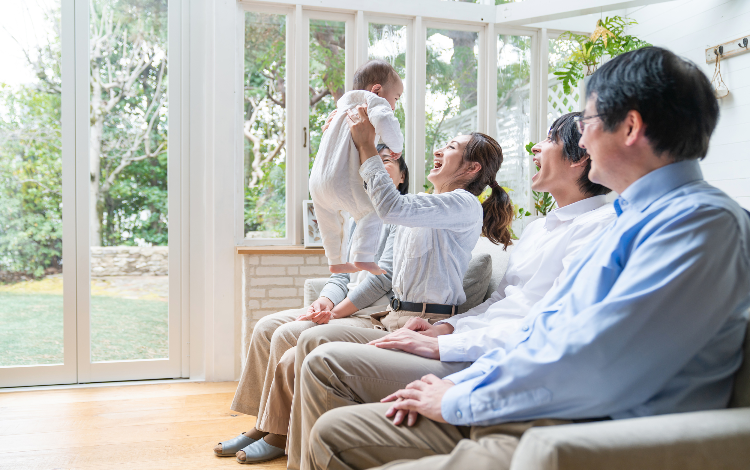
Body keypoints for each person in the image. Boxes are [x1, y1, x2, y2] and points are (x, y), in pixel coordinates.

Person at [298, 46, 750, 470]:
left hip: (576, 427)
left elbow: (599, 358)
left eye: (588, 119)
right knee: (334, 427)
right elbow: (545, 328)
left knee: (334, 433)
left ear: (629, 128)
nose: (580, 136)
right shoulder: (632, 215)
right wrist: (464, 383)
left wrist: (457, 397)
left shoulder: (698, 223)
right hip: (534, 400)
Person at [284, 111, 617, 469]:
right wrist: (446, 328)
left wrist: (444, 342)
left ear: (581, 155)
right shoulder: (538, 230)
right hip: (460, 342)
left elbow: (552, 331)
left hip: (484, 361)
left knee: (321, 357)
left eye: (550, 139)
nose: (536, 147)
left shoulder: (602, 228)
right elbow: (499, 304)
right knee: (311, 349)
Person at [213, 145, 408, 462]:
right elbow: (339, 276)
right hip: (344, 309)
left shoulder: (402, 218)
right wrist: (322, 301)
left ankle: (280, 433)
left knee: (288, 334)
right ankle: (262, 425)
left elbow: (381, 279)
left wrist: (336, 310)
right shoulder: (358, 220)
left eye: (385, 162)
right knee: (265, 328)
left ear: (400, 179)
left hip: (372, 314)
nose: (375, 167)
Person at [310, 59, 405, 276]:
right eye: (396, 98)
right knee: (371, 211)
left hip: (316, 182)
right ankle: (363, 257)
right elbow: (386, 122)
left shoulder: (339, 111)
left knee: (330, 224)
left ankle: (335, 262)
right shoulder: (373, 102)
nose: (394, 105)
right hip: (341, 179)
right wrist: (396, 146)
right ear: (377, 90)